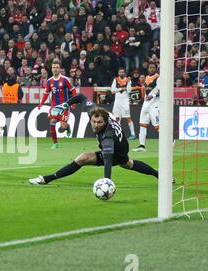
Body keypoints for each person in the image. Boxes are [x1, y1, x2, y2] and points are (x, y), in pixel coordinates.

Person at [28, 93, 158, 186]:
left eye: (99, 122)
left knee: (83, 158)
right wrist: (65, 105)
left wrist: (107, 182)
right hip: (121, 144)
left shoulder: (107, 136)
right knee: (128, 164)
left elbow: (108, 161)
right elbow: (80, 97)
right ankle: (160, 175)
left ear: (105, 121)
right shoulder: (94, 111)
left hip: (117, 151)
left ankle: (46, 179)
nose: (95, 125)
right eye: (94, 121)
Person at [37, 60, 76, 149]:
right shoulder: (49, 81)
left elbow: (73, 90)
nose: (55, 69)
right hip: (54, 106)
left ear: (60, 69)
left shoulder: (65, 79)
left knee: (63, 126)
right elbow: (46, 93)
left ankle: (67, 126)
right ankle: (55, 143)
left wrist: (73, 103)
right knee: (52, 122)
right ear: (51, 69)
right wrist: (41, 103)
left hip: (65, 105)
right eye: (54, 67)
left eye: (57, 67)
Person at [132, 63, 160, 152]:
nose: (152, 69)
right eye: (150, 67)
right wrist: (141, 100)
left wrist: (153, 96)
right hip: (146, 104)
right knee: (142, 124)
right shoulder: (147, 77)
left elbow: (162, 90)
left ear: (156, 68)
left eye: (153, 67)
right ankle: (142, 145)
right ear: (148, 69)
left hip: (155, 104)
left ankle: (170, 141)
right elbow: (147, 91)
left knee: (157, 126)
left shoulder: (159, 77)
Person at [110, 67, 136, 139]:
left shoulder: (128, 80)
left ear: (124, 73)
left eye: (122, 72)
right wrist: (121, 89)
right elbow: (112, 90)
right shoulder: (115, 80)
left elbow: (129, 91)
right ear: (118, 73)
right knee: (117, 118)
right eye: (120, 72)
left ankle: (133, 134)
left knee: (128, 117)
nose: (121, 73)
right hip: (117, 101)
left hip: (125, 101)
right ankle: (117, 133)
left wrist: (128, 84)